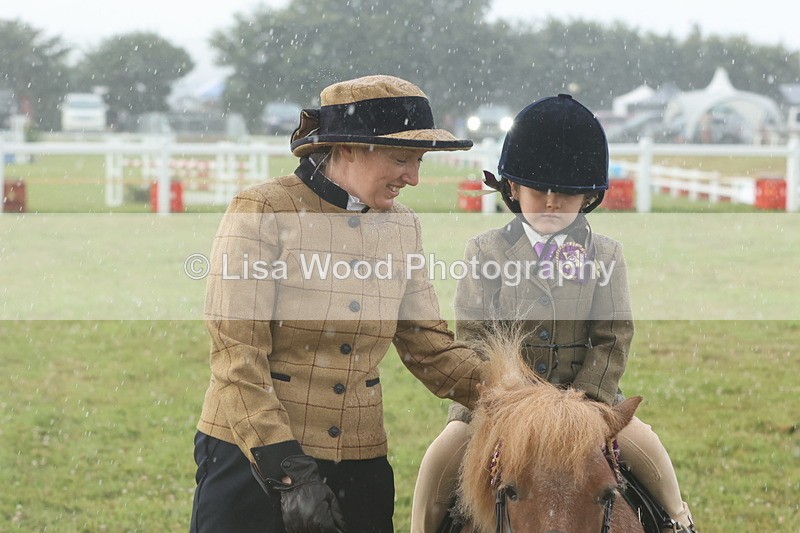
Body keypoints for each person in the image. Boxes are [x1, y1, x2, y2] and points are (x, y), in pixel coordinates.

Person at [190, 75, 488, 533]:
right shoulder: (261, 209)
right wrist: (290, 472)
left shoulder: (403, 226)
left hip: (361, 463)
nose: (413, 177)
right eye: (401, 158)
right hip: (252, 456)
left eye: (419, 161)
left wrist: (522, 397)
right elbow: (237, 358)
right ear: (348, 148)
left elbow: (431, 348)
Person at [411, 94, 697, 533]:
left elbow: (613, 335)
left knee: (650, 449)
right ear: (512, 188)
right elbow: (473, 337)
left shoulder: (605, 254)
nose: (550, 202)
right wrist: (511, 399)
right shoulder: (484, 250)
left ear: (588, 196)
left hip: (587, 400)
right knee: (441, 458)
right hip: (500, 403)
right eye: (538, 190)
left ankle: (680, 521)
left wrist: (587, 400)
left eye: (564, 193)